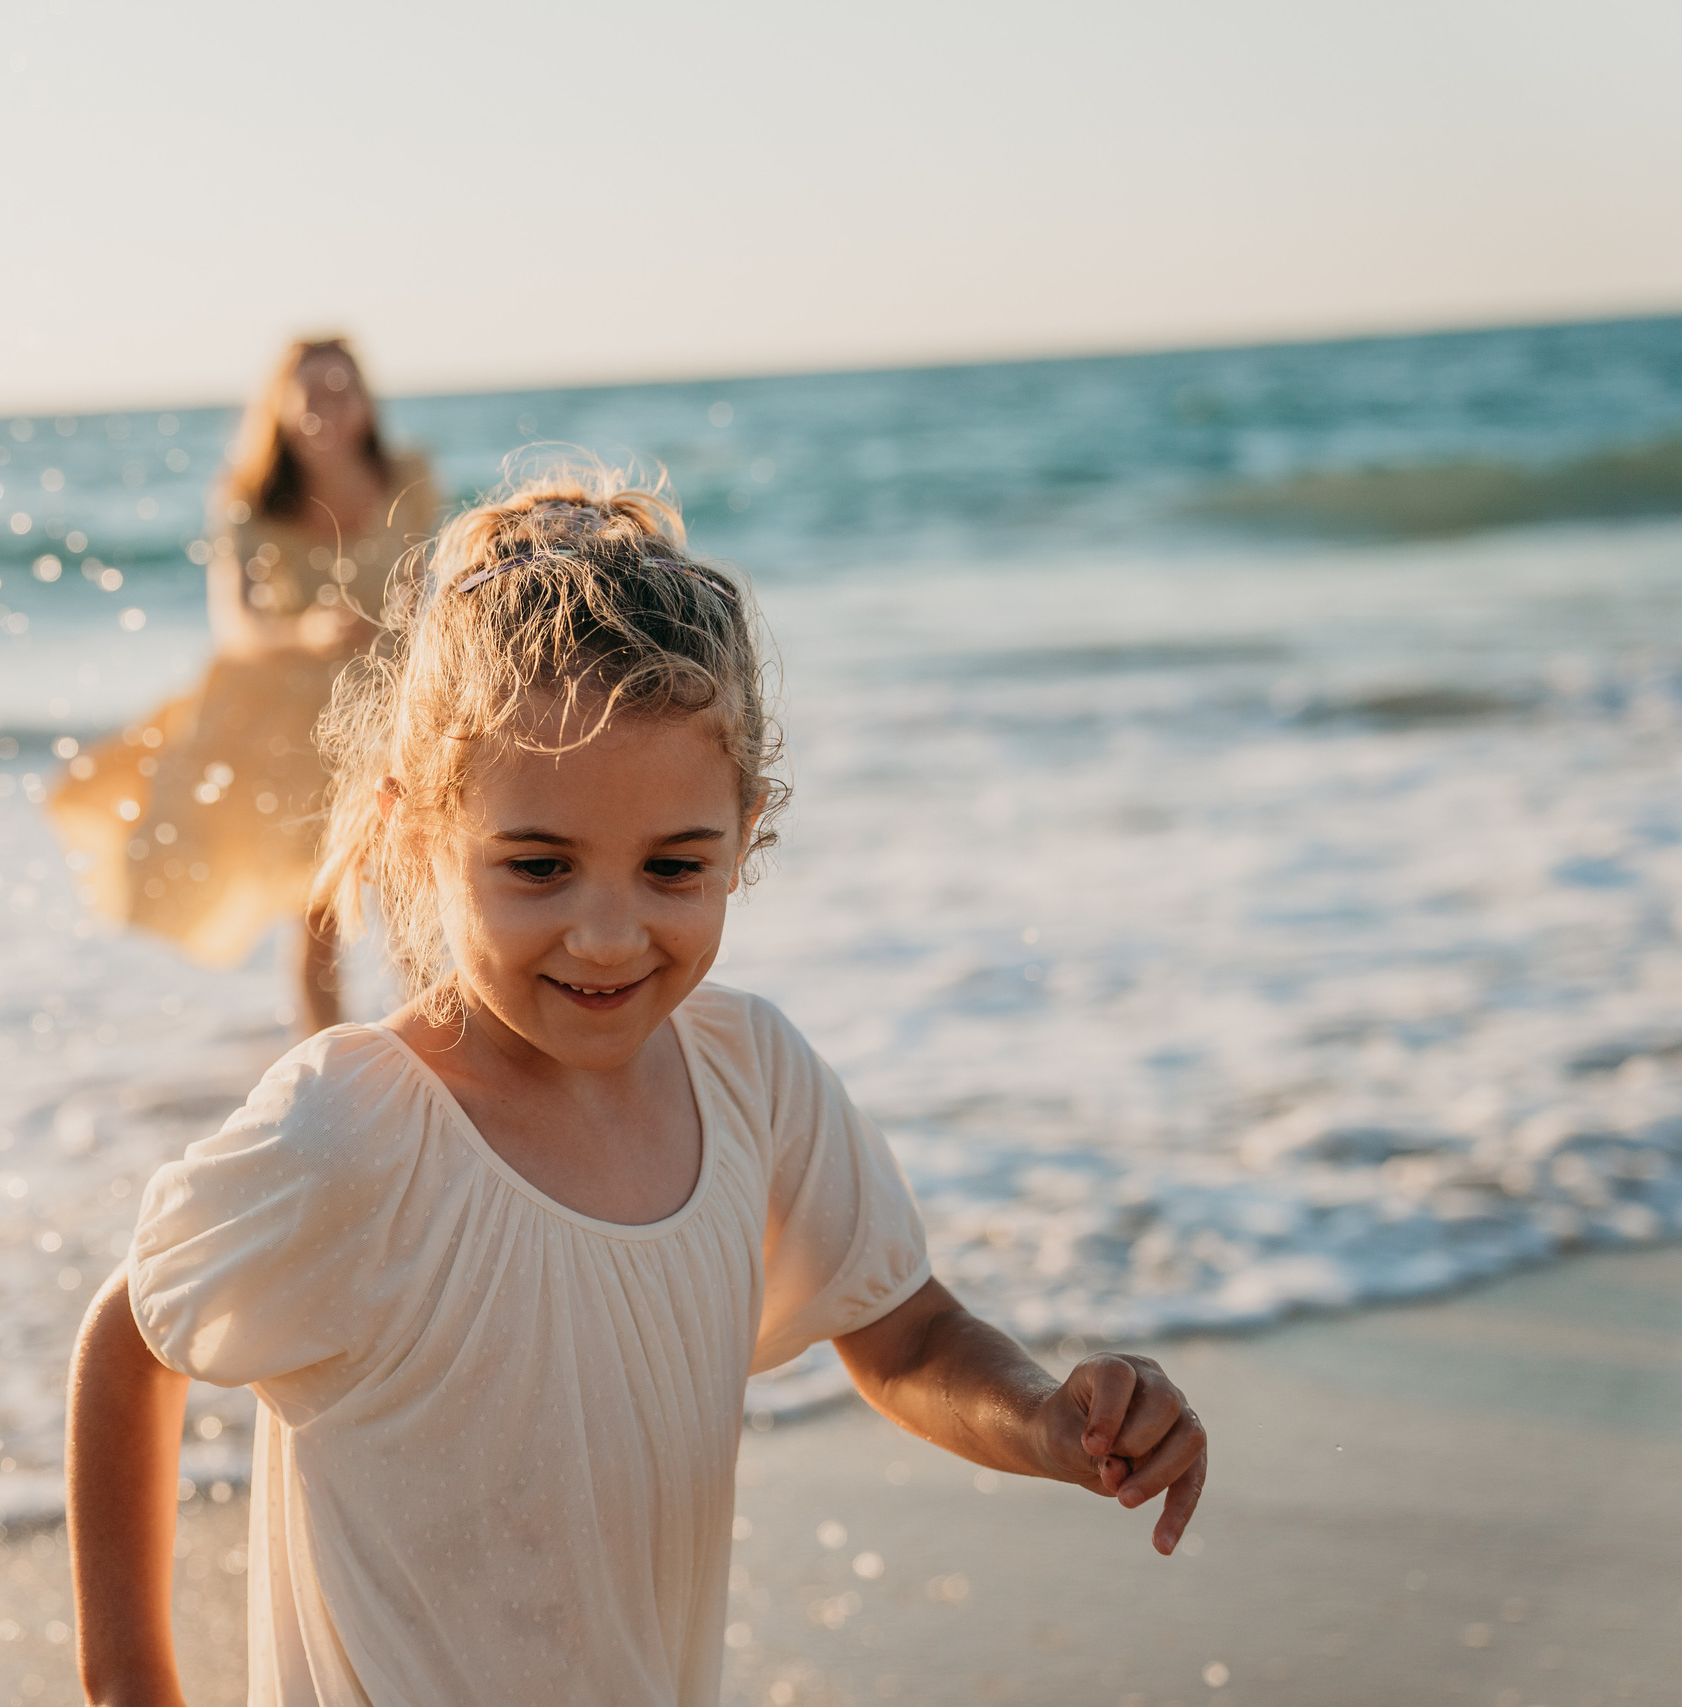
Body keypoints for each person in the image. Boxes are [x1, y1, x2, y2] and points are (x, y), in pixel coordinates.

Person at [64, 468, 1212, 1706]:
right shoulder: (358, 1128)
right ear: (416, 835)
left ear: (746, 831)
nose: (608, 937)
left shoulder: (751, 1079)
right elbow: (135, 1336)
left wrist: (1048, 1421)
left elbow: (906, 1332)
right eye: (540, 866)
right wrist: (132, 1681)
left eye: (673, 868)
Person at [47, 337, 438, 1034]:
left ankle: (437, 1058)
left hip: (392, 708)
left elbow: (428, 592)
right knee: (317, 910)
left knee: (412, 887)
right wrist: (306, 633)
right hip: (293, 726)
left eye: (341, 389)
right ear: (281, 406)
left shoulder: (408, 477)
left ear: (365, 402)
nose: (327, 405)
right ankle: (332, 1070)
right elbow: (235, 623)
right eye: (311, 390)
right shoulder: (249, 498)